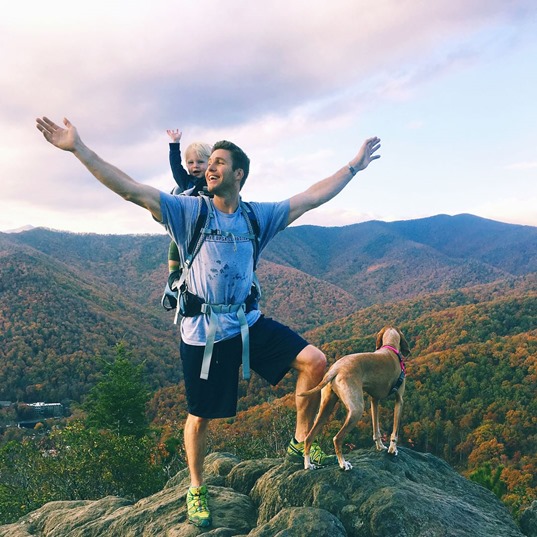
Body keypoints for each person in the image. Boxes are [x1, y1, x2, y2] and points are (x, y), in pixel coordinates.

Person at [35, 116, 381, 528]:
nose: (210, 167)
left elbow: (309, 198)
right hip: (203, 333)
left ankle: (301, 442)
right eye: (209, 162)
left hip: (246, 322)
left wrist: (353, 167)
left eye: (219, 162)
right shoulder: (189, 212)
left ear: (239, 174)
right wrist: (79, 149)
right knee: (199, 416)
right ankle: (196, 487)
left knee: (315, 362)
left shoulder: (256, 217)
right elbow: (130, 189)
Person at [162, 130, 212, 309]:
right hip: (189, 227)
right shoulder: (186, 182)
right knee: (175, 243)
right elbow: (176, 167)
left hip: (209, 226)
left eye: (200, 162)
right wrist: (174, 144)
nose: (195, 166)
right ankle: (173, 275)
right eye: (190, 162)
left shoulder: (214, 182)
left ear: (210, 163)